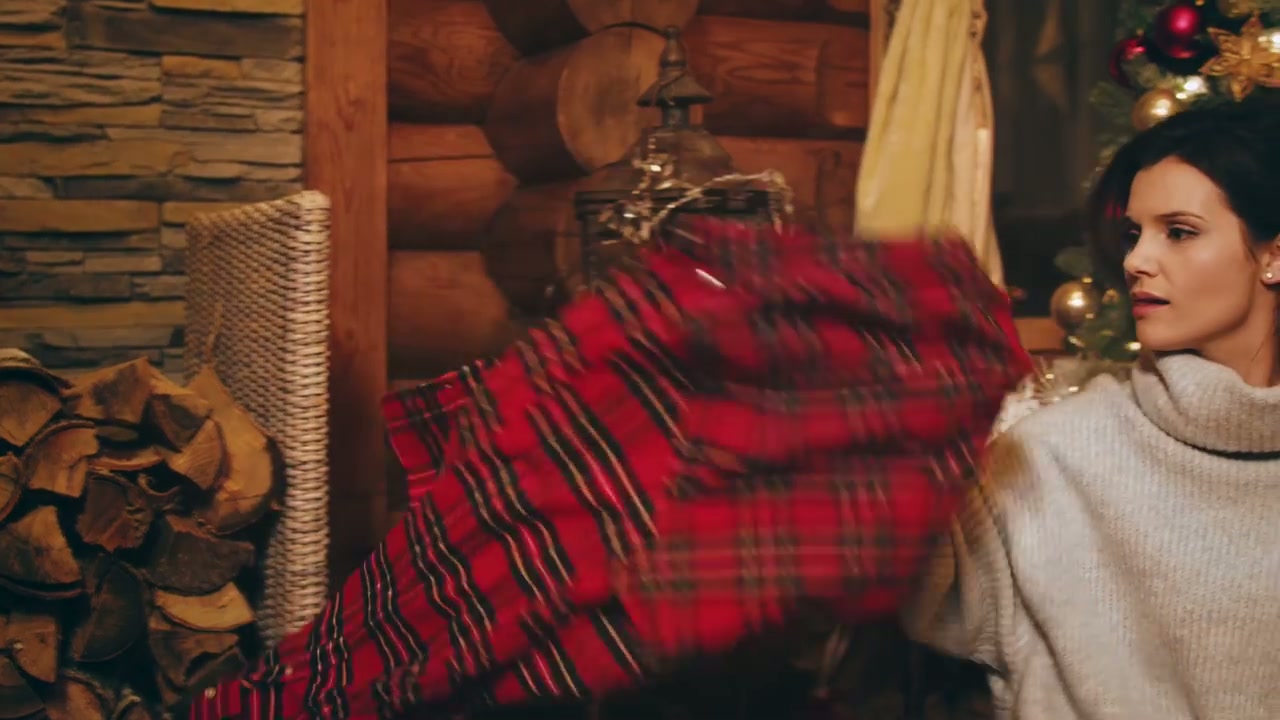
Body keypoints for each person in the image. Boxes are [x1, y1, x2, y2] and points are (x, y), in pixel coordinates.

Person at [185, 215, 1031, 719]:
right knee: (421, 626)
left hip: (587, 468)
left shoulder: (799, 383)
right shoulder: (747, 345)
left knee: (422, 635)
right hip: (561, 460)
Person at [902, 98, 1280, 719]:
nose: (1136, 261)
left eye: (1178, 232)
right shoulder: (1050, 456)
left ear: (1272, 256)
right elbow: (919, 602)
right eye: (1133, 235)